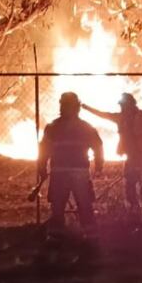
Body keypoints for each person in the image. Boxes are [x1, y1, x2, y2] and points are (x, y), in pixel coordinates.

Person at [37, 92, 104, 238]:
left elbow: (44, 150)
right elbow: (98, 146)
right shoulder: (86, 127)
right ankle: (91, 236)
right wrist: (99, 165)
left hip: (59, 172)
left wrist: (42, 167)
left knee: (58, 205)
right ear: (77, 107)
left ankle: (56, 237)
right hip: (79, 171)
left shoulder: (52, 127)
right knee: (84, 204)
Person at [81, 92, 142, 219]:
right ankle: (134, 210)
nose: (121, 108)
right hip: (131, 157)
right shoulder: (122, 117)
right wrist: (86, 107)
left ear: (130, 105)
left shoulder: (139, 117)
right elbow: (103, 115)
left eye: (123, 105)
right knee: (130, 185)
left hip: (141, 157)